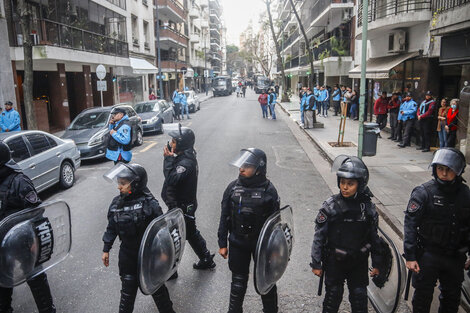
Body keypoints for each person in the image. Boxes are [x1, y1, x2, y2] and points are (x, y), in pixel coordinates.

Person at [311, 155, 382, 313]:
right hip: (335, 262)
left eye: (350, 184)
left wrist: (377, 263)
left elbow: (374, 237)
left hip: (359, 262)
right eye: (342, 182)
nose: (345, 187)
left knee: (359, 299)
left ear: (360, 184)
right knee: (332, 298)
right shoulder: (330, 206)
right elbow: (319, 237)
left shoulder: (368, 208)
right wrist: (316, 263)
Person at [404, 148, 470, 313]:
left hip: (455, 257)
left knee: (451, 299)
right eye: (440, 168)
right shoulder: (424, 192)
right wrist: (410, 256)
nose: (444, 174)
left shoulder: (465, 194)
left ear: (458, 170)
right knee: (422, 297)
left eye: (449, 170)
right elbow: (410, 225)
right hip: (429, 255)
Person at [102, 163, 175, 313]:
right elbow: (111, 228)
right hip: (127, 257)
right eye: (118, 183)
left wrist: (164, 253)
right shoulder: (116, 204)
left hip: (149, 256)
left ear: (135, 184)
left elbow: (162, 231)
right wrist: (106, 248)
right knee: (127, 296)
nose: (119, 187)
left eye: (123, 184)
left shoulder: (150, 204)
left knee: (158, 291)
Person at [218, 148, 280, 313]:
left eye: (247, 166)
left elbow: (276, 224)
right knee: (238, 283)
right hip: (238, 243)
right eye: (241, 165)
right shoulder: (232, 188)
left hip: (262, 245)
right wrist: (222, 242)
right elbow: (224, 217)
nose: (241, 169)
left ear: (259, 168)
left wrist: (275, 250)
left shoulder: (269, 191)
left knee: (266, 282)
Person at [0, 142, 56, 313]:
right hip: (3, 242)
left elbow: (36, 211)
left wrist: (36, 240)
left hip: (23, 241)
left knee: (35, 277)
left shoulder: (19, 181)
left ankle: (47, 310)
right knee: (3, 279)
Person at [162, 126, 215, 272]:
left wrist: (167, 160)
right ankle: (205, 258)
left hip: (182, 206)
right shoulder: (183, 157)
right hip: (179, 204)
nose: (170, 144)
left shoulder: (186, 163)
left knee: (173, 236)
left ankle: (171, 270)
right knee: (189, 233)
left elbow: (172, 179)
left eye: (173, 142)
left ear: (181, 144)